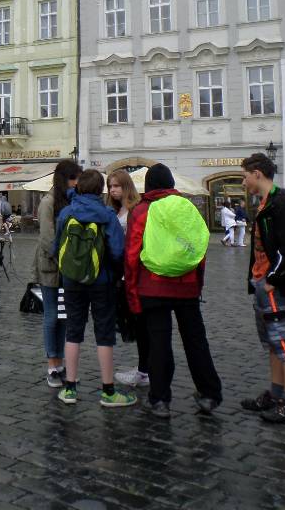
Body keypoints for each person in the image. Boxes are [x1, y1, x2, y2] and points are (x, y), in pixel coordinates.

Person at [124, 163, 222, 417]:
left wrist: (132, 294)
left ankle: (160, 400)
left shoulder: (141, 210)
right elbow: (199, 249)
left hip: (152, 286)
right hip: (186, 287)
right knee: (196, 340)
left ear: (148, 185)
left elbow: (132, 255)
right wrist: (198, 284)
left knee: (159, 343)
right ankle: (209, 393)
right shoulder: (187, 207)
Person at [239, 152, 285, 423]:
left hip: (273, 285)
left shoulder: (281, 203)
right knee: (273, 342)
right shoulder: (266, 203)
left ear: (257, 174)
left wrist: (272, 279)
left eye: (245, 176)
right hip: (262, 281)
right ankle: (276, 393)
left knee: (284, 343)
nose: (244, 182)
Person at [52, 169, 136, 408]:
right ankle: (108, 391)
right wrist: (114, 274)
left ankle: (70, 388)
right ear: (101, 189)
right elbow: (118, 251)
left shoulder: (66, 212)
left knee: (73, 331)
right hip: (102, 281)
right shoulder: (107, 214)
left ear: (79, 187)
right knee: (105, 333)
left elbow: (56, 246)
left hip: (72, 281)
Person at [34, 159, 82, 388]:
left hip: (67, 267)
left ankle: (61, 364)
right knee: (52, 316)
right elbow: (47, 239)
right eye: (74, 179)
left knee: (63, 316)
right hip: (51, 267)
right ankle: (52, 365)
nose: (77, 183)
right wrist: (64, 259)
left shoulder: (70, 200)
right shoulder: (48, 202)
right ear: (65, 179)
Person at [107, 170, 149, 390]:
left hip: (134, 273)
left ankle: (145, 370)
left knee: (142, 324)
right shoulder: (115, 209)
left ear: (126, 186)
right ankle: (144, 368)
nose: (112, 190)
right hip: (120, 273)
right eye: (110, 186)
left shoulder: (135, 209)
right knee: (133, 322)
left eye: (116, 186)